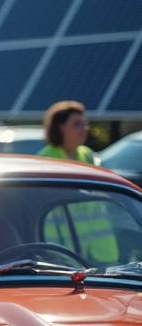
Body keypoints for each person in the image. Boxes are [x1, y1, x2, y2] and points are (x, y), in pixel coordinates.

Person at [39, 100, 117, 263]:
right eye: (77, 124)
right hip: (62, 249)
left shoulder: (89, 156)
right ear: (60, 127)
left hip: (98, 250)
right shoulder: (46, 160)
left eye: (85, 123)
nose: (84, 129)